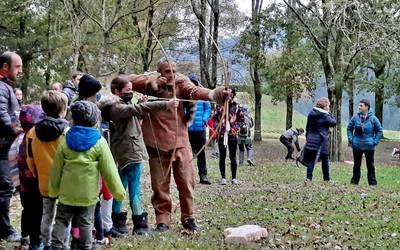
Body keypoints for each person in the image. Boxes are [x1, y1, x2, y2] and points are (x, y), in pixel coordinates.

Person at [127, 58, 230, 232]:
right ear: (160, 71)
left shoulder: (181, 82)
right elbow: (128, 81)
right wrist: (153, 82)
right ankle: (162, 220)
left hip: (180, 142)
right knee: (160, 186)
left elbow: (195, 91)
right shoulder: (151, 81)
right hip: (156, 143)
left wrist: (216, 94)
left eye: (174, 71)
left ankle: (188, 218)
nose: (172, 75)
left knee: (186, 182)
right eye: (168, 71)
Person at [98, 76, 177, 235]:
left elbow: (134, 115)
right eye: (127, 90)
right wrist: (166, 104)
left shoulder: (120, 106)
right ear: (116, 92)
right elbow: (136, 110)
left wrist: (140, 103)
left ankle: (120, 224)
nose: (130, 93)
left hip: (128, 151)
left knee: (124, 187)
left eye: (131, 90)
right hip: (129, 153)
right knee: (131, 188)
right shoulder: (116, 108)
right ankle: (139, 226)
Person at [49, 101, 125, 250]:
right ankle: (85, 246)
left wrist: (53, 190)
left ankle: (56, 246)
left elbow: (56, 168)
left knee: (61, 220)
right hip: (87, 195)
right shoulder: (100, 142)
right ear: (94, 119)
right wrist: (119, 192)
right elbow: (110, 171)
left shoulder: (65, 140)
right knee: (85, 222)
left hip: (66, 193)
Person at [26, 90, 70, 249]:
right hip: (65, 181)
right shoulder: (67, 133)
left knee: (47, 215)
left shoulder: (32, 133)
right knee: (64, 216)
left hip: (44, 182)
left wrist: (35, 173)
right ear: (63, 110)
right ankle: (64, 244)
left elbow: (29, 158)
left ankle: (47, 243)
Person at [0, 51, 22, 242]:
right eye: (17, 66)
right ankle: (5, 230)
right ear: (5, 67)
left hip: (5, 145)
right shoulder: (0, 87)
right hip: (3, 147)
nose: (20, 71)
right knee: (5, 187)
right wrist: (17, 132)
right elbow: (1, 114)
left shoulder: (4, 86)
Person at [17, 105, 45, 249]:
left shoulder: (21, 138)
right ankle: (35, 242)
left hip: (23, 187)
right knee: (36, 213)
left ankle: (24, 236)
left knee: (27, 211)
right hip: (34, 186)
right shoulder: (32, 141)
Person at [347, 99, 383, 187]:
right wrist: (351, 140)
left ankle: (372, 183)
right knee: (356, 165)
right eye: (359, 105)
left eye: (361, 105)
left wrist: (374, 142)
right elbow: (349, 129)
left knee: (370, 165)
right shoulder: (355, 118)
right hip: (357, 146)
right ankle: (354, 182)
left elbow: (379, 131)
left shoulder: (373, 118)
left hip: (369, 146)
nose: (359, 107)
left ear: (367, 107)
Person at [303, 97, 336, 182]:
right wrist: (329, 113)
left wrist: (307, 137)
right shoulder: (325, 116)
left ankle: (308, 178)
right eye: (328, 105)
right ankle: (327, 179)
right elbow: (333, 122)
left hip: (311, 138)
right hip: (321, 140)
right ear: (325, 106)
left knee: (311, 159)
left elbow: (307, 127)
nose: (329, 107)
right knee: (325, 159)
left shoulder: (311, 113)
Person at [187, 74, 212, 185]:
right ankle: (188, 176)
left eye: (195, 83)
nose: (193, 85)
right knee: (187, 154)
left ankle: (203, 176)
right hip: (188, 130)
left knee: (201, 154)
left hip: (200, 129)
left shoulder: (202, 96)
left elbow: (208, 109)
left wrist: (204, 120)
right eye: (191, 83)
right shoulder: (185, 95)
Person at [214, 90, 240, 185]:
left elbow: (241, 119)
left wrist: (235, 128)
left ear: (233, 94)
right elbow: (214, 118)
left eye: (231, 93)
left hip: (232, 135)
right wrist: (218, 126)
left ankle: (234, 178)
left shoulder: (236, 106)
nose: (229, 95)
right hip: (222, 134)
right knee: (222, 156)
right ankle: (223, 178)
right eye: (227, 93)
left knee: (233, 156)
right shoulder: (220, 106)